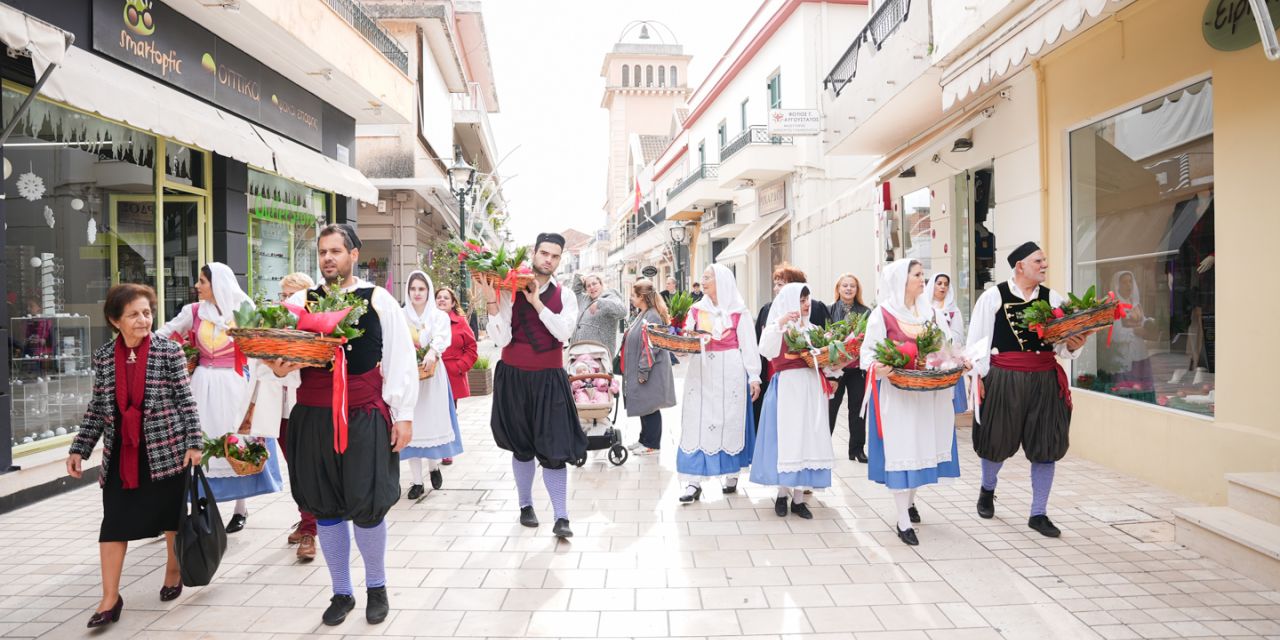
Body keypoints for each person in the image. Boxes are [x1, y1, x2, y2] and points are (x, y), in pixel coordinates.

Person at [265, 224, 418, 626]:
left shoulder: (378, 298)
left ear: (354, 254)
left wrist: (403, 414)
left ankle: (377, 586)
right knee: (325, 506)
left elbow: (401, 358)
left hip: (363, 413)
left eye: (336, 251)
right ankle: (341, 592)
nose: (328, 258)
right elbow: (277, 357)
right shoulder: (301, 300)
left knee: (367, 506)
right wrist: (277, 361)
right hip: (312, 416)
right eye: (322, 252)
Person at [67, 284, 203, 627]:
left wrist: (194, 443)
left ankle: (173, 570)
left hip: (164, 449)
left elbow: (186, 403)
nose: (143, 320)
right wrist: (79, 449)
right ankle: (110, 598)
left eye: (147, 312)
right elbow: (98, 408)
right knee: (114, 524)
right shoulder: (103, 356)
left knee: (170, 519)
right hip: (122, 455)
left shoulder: (168, 351)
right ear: (115, 321)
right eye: (134, 315)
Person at [966, 242, 1093, 538]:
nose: (1044, 265)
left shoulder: (1054, 299)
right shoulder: (993, 296)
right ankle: (987, 489)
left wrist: (1075, 344)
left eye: (1045, 260)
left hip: (1044, 379)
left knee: (1046, 444)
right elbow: (976, 344)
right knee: (995, 440)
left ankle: (1039, 513)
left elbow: (1063, 346)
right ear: (1020, 266)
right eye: (1039, 261)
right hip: (1004, 377)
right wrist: (979, 380)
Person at [157, 262, 282, 534]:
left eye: (202, 281)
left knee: (235, 441)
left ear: (218, 285)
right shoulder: (193, 312)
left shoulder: (242, 312)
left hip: (234, 384)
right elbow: (163, 334)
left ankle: (241, 508)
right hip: (201, 384)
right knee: (199, 439)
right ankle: (197, 505)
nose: (197, 286)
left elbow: (261, 346)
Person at [477, 232, 587, 538]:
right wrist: (491, 302)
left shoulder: (565, 296)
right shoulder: (508, 292)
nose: (548, 259)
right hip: (514, 377)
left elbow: (563, 334)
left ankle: (561, 517)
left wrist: (537, 302)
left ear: (559, 260)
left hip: (550, 380)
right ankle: (525, 505)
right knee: (522, 448)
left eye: (554, 255)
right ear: (533, 254)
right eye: (544, 253)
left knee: (554, 449)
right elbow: (502, 339)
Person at [861, 260, 964, 546]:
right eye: (917, 275)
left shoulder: (931, 312)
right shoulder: (882, 314)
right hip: (898, 395)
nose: (923, 280)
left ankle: (910, 503)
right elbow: (867, 354)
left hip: (927, 394)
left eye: (922, 275)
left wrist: (957, 360)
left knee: (922, 447)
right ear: (901, 281)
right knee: (902, 450)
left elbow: (945, 345)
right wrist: (880, 367)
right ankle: (902, 519)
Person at [676, 264, 761, 502]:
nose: (703, 282)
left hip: (731, 371)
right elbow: (686, 340)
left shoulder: (738, 311)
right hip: (701, 372)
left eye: (708, 278)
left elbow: (748, 345)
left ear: (722, 281)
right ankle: (693, 481)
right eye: (702, 277)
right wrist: (686, 343)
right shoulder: (695, 310)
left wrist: (754, 376)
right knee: (697, 420)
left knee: (729, 419)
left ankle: (731, 473)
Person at [750, 283, 834, 519]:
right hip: (787, 387)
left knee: (807, 438)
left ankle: (798, 499)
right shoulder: (778, 328)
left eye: (807, 299)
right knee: (786, 438)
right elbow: (765, 350)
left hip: (810, 387)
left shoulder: (815, 329)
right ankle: (781, 494)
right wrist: (780, 322)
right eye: (801, 300)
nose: (806, 305)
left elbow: (825, 362)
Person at [264, 272, 317, 561]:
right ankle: (306, 518)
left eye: (290, 295)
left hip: (305, 407)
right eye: (282, 295)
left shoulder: (313, 329)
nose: (284, 301)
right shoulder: (276, 327)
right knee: (294, 469)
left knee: (306, 469)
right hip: (281, 410)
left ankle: (311, 530)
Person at [400, 271, 464, 498]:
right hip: (409, 378)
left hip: (432, 375)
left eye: (422, 289)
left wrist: (433, 353)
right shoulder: (401, 315)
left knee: (432, 424)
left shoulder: (438, 316)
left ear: (428, 291)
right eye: (413, 289)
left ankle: (434, 466)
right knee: (411, 427)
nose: (417, 293)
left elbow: (442, 337)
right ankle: (416, 482)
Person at [754, 264, 829, 431]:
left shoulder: (813, 325)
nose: (776, 288)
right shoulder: (772, 316)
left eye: (781, 284)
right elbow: (764, 346)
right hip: (787, 380)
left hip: (811, 381)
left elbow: (825, 350)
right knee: (789, 427)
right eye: (776, 284)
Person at [621, 279, 676, 455]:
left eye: (633, 295)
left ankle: (652, 444)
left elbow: (652, 345)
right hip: (644, 367)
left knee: (650, 406)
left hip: (652, 369)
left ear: (642, 297)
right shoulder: (643, 313)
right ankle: (644, 439)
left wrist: (644, 368)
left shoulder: (652, 315)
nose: (631, 298)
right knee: (644, 404)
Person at [828, 273, 871, 462]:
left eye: (852, 286)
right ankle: (822, 446)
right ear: (838, 288)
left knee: (858, 408)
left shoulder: (866, 312)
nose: (848, 289)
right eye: (844, 285)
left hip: (857, 368)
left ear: (857, 289)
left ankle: (857, 449)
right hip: (834, 368)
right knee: (830, 407)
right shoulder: (828, 311)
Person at [437, 286, 478, 465]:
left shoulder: (460, 322)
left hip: (452, 374)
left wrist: (459, 367)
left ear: (453, 302)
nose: (442, 300)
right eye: (439, 297)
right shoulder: (428, 321)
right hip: (430, 373)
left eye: (446, 298)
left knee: (448, 411)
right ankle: (434, 444)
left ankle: (447, 448)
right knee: (433, 411)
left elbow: (472, 348)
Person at [927, 273, 969, 416]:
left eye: (946, 284)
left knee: (947, 408)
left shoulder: (953, 310)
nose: (942, 287)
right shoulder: (924, 307)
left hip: (948, 359)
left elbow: (957, 336)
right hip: (927, 359)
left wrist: (944, 346)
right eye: (939, 283)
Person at [571, 273, 627, 356]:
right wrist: (579, 278)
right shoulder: (585, 299)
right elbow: (575, 293)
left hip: (599, 355)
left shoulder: (610, 296)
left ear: (601, 284)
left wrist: (600, 303)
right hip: (580, 353)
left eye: (594, 284)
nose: (592, 287)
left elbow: (622, 311)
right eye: (588, 286)